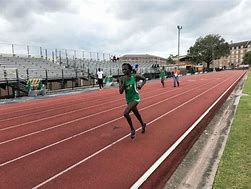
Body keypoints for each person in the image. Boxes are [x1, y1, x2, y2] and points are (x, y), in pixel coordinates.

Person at [119, 63, 147, 139]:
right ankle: (143, 124)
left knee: (126, 113)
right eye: (123, 69)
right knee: (136, 113)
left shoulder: (135, 76)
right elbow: (120, 92)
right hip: (128, 99)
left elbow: (144, 79)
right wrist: (123, 85)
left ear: (130, 69)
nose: (123, 71)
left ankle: (132, 129)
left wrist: (140, 86)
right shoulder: (121, 79)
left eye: (125, 69)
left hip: (135, 98)